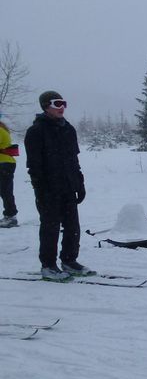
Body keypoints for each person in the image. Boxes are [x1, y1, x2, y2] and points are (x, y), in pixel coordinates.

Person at [24, 90, 91, 280]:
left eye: (64, 103)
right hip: (48, 189)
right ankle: (48, 266)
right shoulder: (36, 131)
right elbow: (34, 165)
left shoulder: (68, 129)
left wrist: (79, 183)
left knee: (72, 227)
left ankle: (69, 261)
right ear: (46, 106)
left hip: (68, 187)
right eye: (57, 103)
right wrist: (41, 189)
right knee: (50, 228)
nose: (62, 107)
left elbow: (74, 160)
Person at [0, 112, 18, 228]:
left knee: (5, 191)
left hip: (4, 164)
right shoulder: (2, 129)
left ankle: (11, 216)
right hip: (6, 163)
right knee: (5, 190)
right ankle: (10, 215)